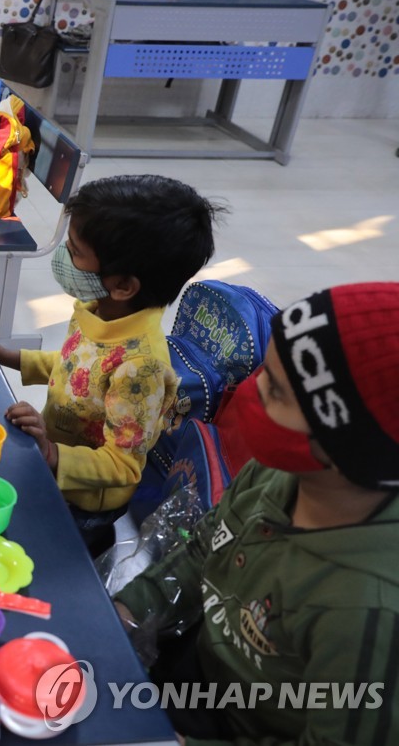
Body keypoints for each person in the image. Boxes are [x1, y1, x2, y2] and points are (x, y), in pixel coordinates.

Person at [113, 282, 399, 744]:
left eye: (277, 391)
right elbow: (208, 542)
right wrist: (129, 610)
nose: (251, 391)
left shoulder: (368, 609)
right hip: (202, 665)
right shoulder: (279, 472)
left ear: (349, 444)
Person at [0, 175, 218, 555]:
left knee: (56, 559)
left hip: (83, 503)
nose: (64, 258)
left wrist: (51, 453)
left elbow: (122, 465)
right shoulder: (97, 308)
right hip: (53, 461)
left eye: (75, 251)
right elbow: (75, 368)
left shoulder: (140, 366)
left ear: (122, 285)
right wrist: (3, 353)